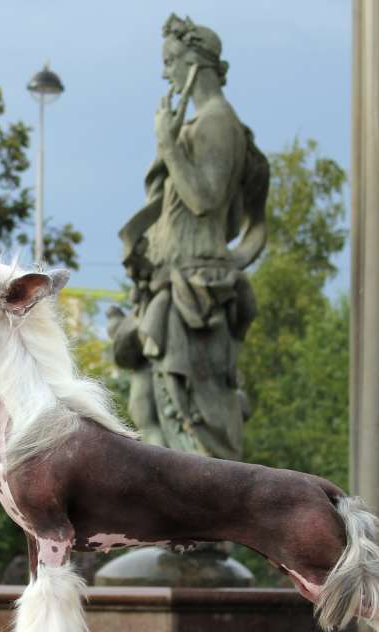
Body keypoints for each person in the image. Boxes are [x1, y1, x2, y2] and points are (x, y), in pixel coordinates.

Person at [110, 13, 269, 460]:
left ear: (195, 64)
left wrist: (167, 144)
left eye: (170, 61)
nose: (166, 73)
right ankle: (157, 500)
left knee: (188, 419)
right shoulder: (197, 124)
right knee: (146, 406)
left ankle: (197, 501)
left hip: (197, 291)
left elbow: (204, 198)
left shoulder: (218, 123)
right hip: (171, 281)